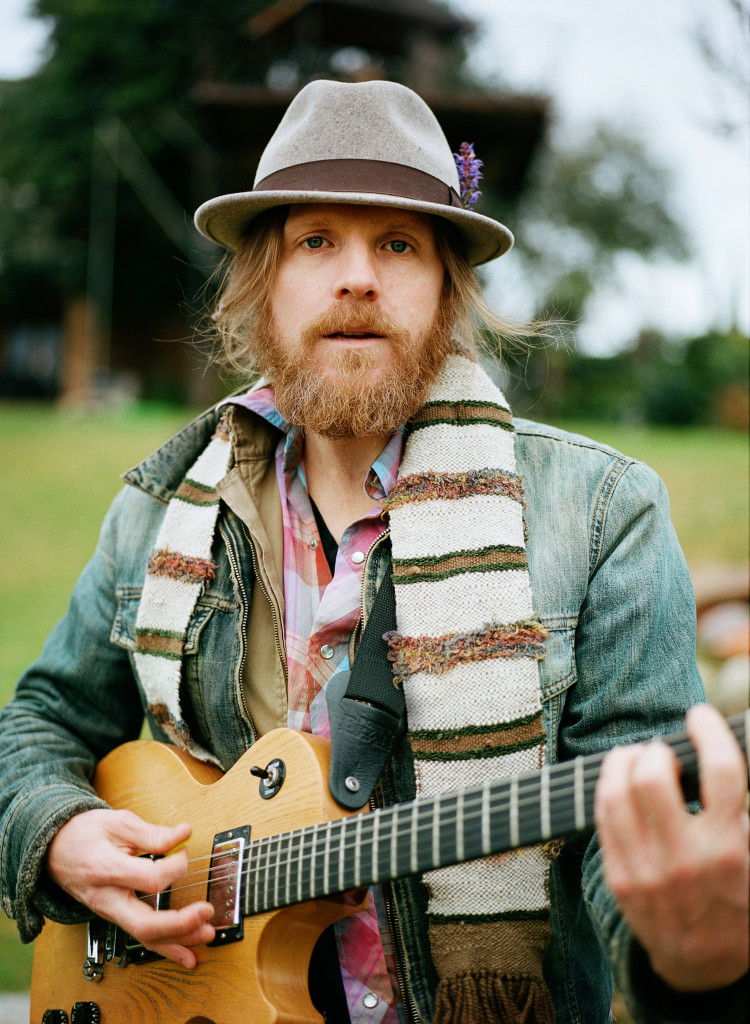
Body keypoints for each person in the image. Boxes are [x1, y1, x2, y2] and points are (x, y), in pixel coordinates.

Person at [0, 79, 747, 1024]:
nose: (358, 277)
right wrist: (54, 830)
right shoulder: (162, 509)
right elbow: (42, 718)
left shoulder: (603, 515)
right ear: (263, 285)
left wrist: (692, 959)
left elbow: (634, 839)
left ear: (447, 289)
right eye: (317, 240)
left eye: (398, 244)